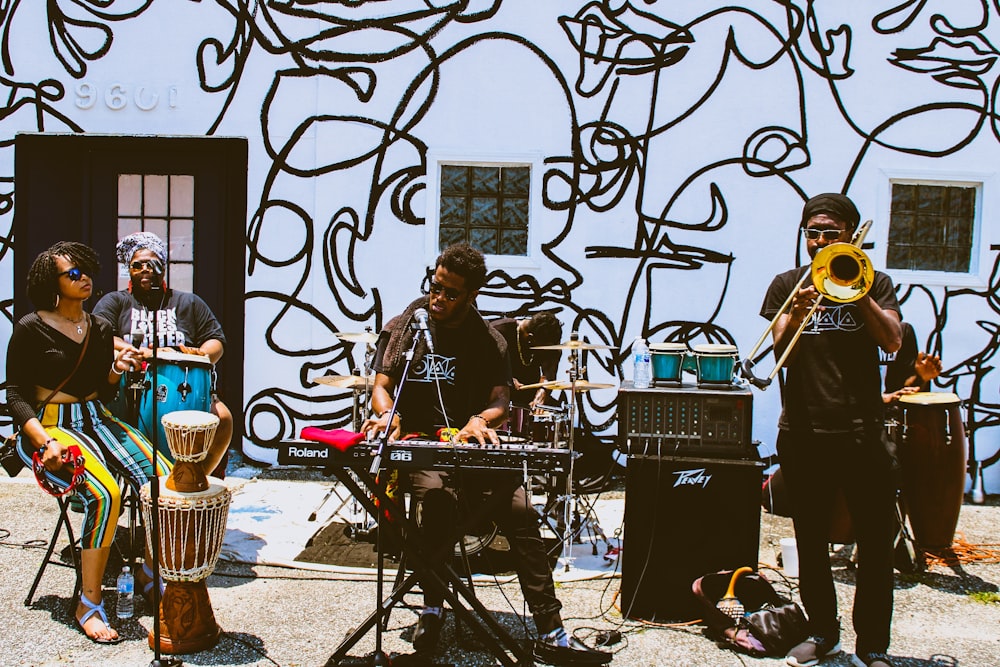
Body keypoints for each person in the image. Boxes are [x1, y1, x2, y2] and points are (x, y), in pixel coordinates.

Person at [361, 243, 610, 665]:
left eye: (451, 293)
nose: (438, 298)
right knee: (437, 503)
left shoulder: (488, 340)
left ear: (473, 294)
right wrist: (388, 416)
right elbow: (382, 384)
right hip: (422, 442)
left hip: (471, 446)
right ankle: (433, 608)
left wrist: (481, 420)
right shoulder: (410, 322)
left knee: (520, 512)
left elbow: (501, 399)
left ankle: (552, 632)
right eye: (435, 286)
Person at [760, 194, 903, 667]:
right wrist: (798, 309)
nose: (819, 241)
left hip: (864, 429)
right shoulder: (787, 283)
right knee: (811, 540)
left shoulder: (876, 282)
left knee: (876, 544)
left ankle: (873, 646)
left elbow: (893, 340)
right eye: (812, 233)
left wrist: (857, 290)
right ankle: (824, 633)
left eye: (830, 233)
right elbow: (780, 350)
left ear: (850, 235)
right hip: (804, 430)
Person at [6, 241, 172, 643]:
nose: (84, 278)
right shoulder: (31, 326)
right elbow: (14, 394)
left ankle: (151, 574)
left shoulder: (98, 328)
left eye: (86, 270)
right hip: (50, 426)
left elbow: (102, 386)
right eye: (73, 273)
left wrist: (116, 368)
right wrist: (44, 442)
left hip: (97, 417)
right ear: (53, 283)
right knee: (105, 493)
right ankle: (89, 602)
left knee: (164, 481)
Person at [92, 232, 232, 477]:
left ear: (164, 267)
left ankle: (191, 479)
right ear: (129, 270)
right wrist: (147, 353)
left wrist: (198, 354)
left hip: (180, 387)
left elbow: (216, 340)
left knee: (223, 419)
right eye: (137, 265)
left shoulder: (189, 302)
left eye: (153, 263)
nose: (145, 269)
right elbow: (100, 337)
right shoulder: (115, 302)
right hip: (126, 389)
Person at [490, 312, 563, 409]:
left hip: (528, 401)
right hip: (495, 399)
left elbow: (549, 375)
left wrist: (543, 391)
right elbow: (477, 369)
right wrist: (505, 378)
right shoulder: (498, 332)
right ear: (530, 339)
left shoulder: (548, 340)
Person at [882, 322, 942, 403]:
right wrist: (881, 399)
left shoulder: (902, 332)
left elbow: (904, 390)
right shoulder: (860, 339)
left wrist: (921, 378)